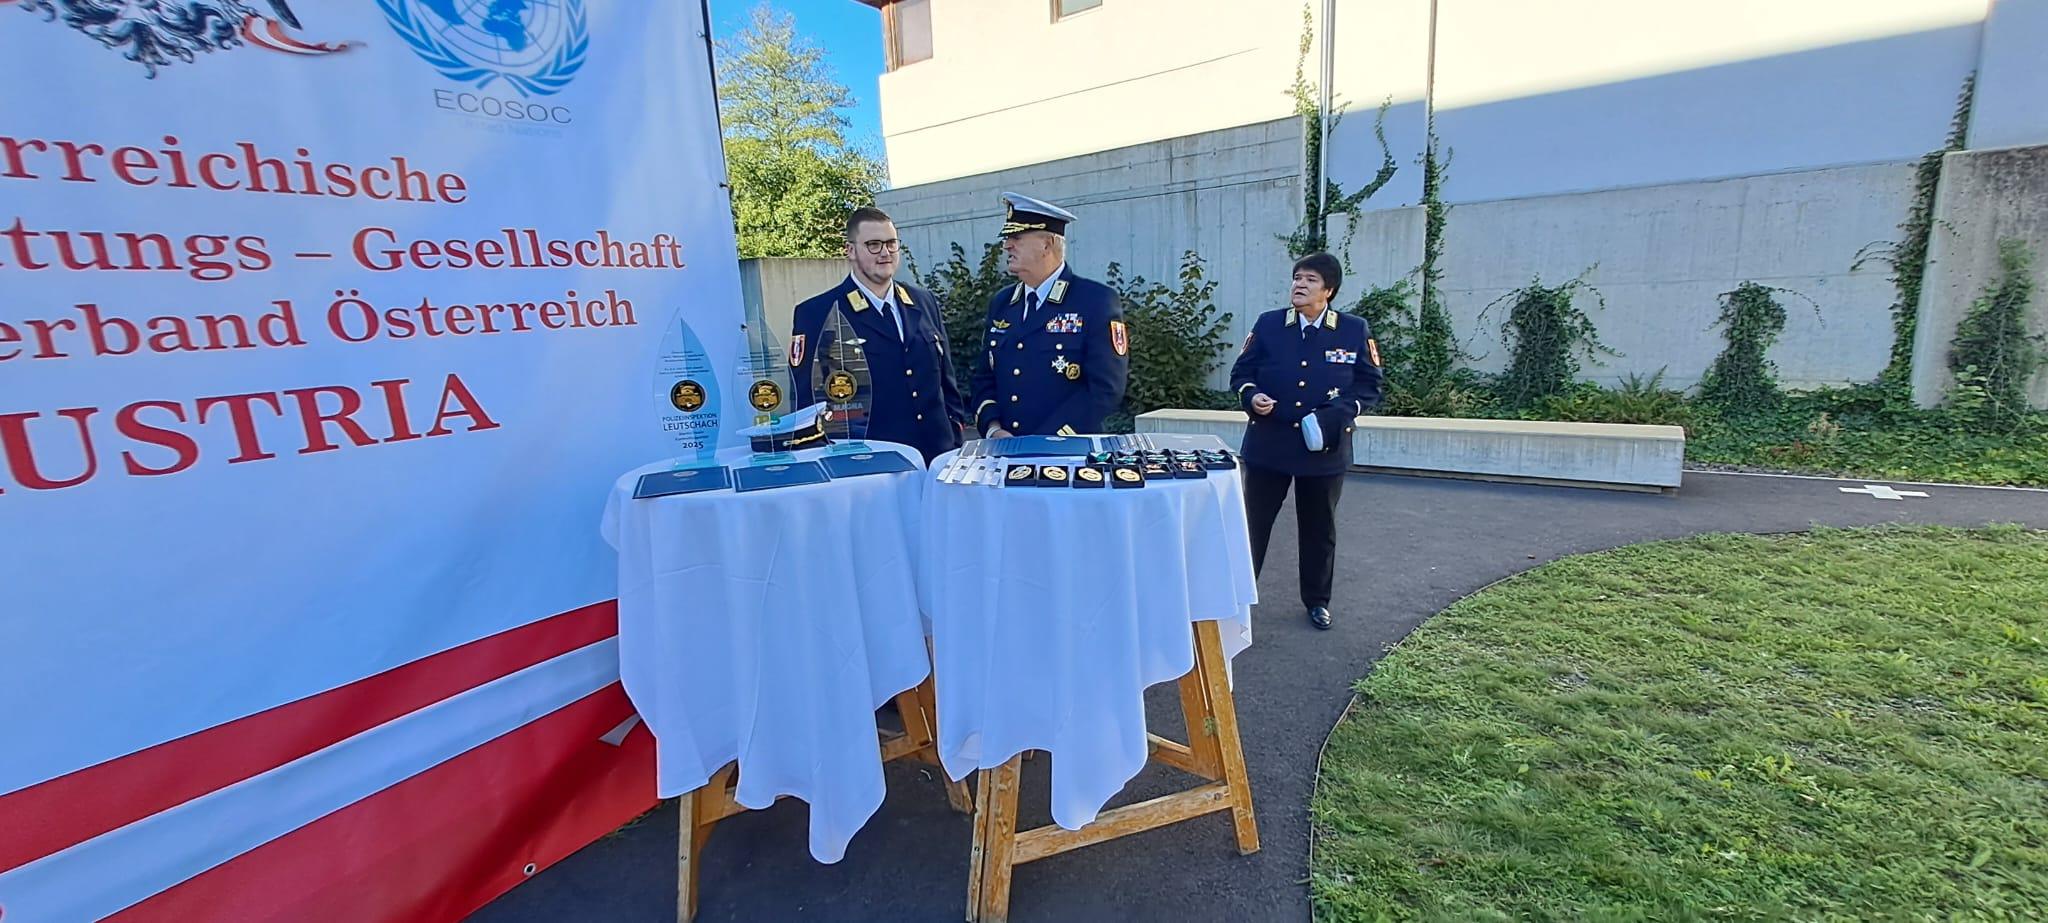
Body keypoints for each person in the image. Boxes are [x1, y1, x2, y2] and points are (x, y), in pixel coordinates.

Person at [1228, 252, 1384, 630]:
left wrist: (1338, 414)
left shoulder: (1353, 329)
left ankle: (1317, 600)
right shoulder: (1270, 324)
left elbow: (1369, 385)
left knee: (1319, 529)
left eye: (1310, 280)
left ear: (1328, 290)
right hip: (1270, 444)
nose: (1299, 285)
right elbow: (1241, 374)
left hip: (1323, 448)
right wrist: (1252, 396)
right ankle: (1238, 598)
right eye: (1297, 277)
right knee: (1253, 526)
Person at [790, 206, 968, 463]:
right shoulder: (818, 313)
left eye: (891, 243)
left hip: (938, 456)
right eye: (873, 245)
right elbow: (805, 402)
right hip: (870, 463)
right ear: (850, 250)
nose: (885, 253)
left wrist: (955, 431)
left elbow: (947, 381)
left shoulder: (923, 301)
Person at [969, 192, 1129, 438]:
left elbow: (1105, 389)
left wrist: (1046, 440)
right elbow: (984, 378)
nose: (1007, 245)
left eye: (1016, 237)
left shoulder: (1095, 301)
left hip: (1066, 450)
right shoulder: (1002, 303)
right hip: (1004, 448)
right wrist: (993, 428)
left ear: (1047, 244)